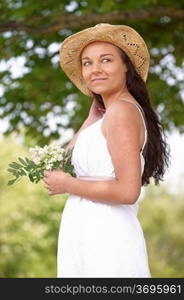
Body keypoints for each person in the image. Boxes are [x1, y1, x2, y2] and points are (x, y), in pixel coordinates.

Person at [43, 23, 170, 277]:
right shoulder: (108, 116)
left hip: (106, 241)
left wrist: (68, 185)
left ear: (126, 66)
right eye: (87, 63)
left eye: (106, 60)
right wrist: (89, 122)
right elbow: (56, 166)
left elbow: (127, 190)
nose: (95, 69)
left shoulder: (122, 112)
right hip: (88, 237)